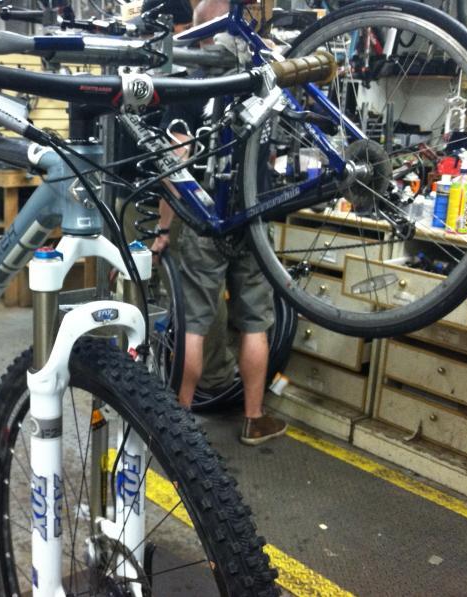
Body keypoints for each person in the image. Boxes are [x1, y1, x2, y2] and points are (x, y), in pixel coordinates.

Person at [152, 0, 287, 445]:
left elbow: (174, 166)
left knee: (193, 324)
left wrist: (163, 229)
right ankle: (254, 418)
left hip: (206, 219)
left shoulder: (192, 84)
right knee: (254, 323)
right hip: (254, 217)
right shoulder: (262, 80)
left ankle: (180, 427)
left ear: (203, 35)